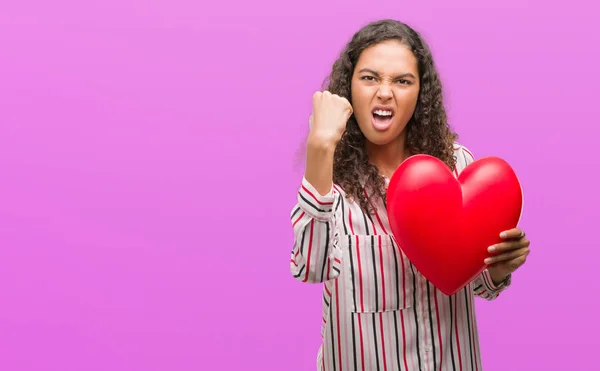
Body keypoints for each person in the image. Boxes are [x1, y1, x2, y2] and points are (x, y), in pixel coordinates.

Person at [289, 19, 531, 371]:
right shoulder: (330, 180)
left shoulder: (458, 166)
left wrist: (498, 269)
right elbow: (312, 267)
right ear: (349, 88)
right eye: (370, 78)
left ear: (419, 94)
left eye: (402, 81)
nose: (385, 92)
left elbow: (478, 283)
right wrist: (320, 146)